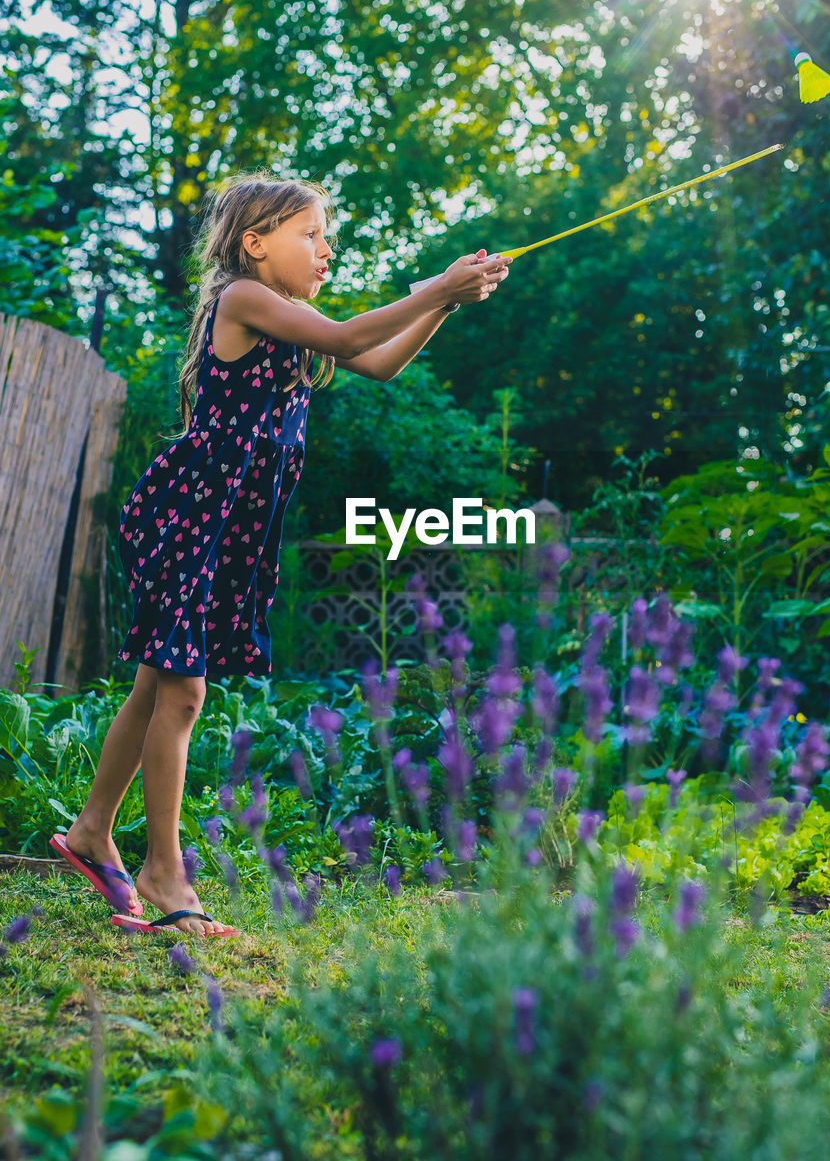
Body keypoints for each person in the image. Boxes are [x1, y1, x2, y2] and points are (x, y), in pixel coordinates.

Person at [53, 171, 513, 939]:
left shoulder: (289, 314)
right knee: (182, 696)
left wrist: (442, 301)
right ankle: (165, 871)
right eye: (311, 234)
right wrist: (436, 282)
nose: (326, 249)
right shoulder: (242, 299)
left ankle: (93, 830)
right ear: (253, 242)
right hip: (187, 518)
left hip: (224, 526)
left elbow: (376, 362)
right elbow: (347, 339)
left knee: (154, 687)